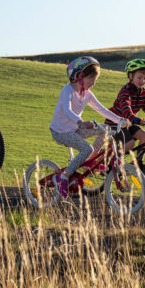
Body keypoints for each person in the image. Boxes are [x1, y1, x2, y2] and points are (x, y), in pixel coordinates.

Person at [49, 56, 128, 198]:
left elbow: (102, 109)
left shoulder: (87, 94)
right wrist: (80, 122)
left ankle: (88, 163)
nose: (93, 83)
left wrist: (120, 120)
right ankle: (64, 177)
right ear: (80, 76)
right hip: (60, 131)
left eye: (95, 80)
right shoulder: (67, 90)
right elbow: (67, 110)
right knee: (87, 148)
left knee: (106, 129)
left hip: (75, 130)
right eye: (91, 79)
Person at [107, 58, 145, 152]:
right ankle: (109, 162)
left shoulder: (143, 93)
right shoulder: (125, 91)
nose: (142, 81)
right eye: (139, 78)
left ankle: (137, 163)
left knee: (144, 137)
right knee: (129, 143)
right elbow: (126, 109)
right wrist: (135, 119)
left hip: (128, 123)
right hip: (115, 123)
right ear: (131, 76)